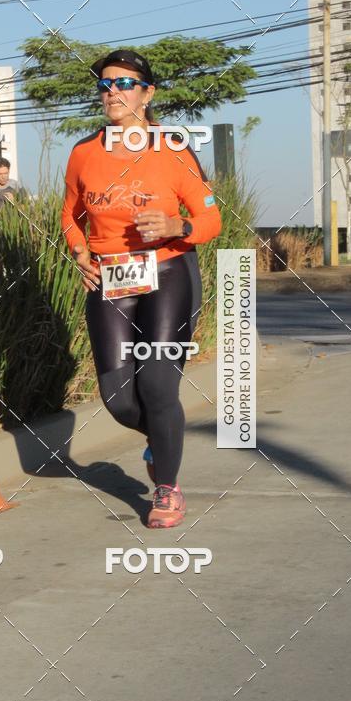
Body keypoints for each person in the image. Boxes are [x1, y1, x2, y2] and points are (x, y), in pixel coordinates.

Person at [61, 48, 222, 528]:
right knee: (119, 399)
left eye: (125, 83)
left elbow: (211, 217)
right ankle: (163, 438)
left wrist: (177, 223)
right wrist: (80, 252)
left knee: (156, 382)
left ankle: (166, 489)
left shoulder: (172, 149)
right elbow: (70, 216)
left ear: (148, 93)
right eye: (105, 84)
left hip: (170, 273)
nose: (112, 91)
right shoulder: (83, 153)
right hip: (111, 278)